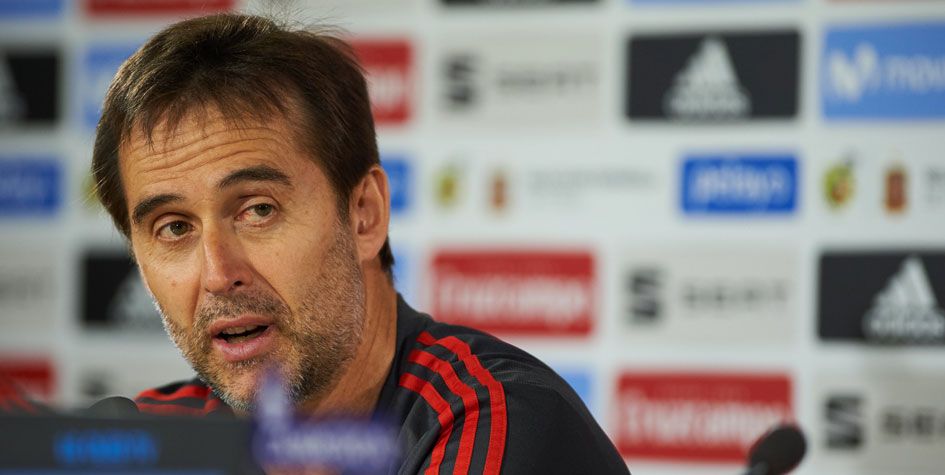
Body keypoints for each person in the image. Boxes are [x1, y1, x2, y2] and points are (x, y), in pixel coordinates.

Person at [90, 13, 629, 474]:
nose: (217, 273)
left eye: (258, 210)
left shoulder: (495, 419)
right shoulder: (150, 442)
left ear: (364, 214)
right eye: (174, 227)